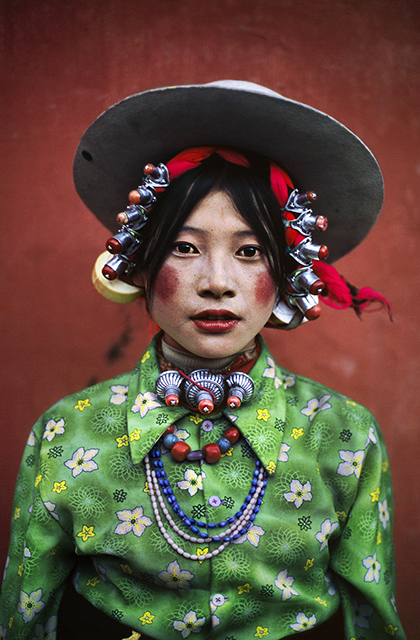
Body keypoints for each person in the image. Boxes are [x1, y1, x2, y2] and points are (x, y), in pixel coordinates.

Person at [0, 81, 405, 640]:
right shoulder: (66, 435)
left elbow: (371, 619)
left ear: (285, 274)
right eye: (185, 248)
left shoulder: (344, 436)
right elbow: (27, 616)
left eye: (250, 251)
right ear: (138, 265)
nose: (218, 283)